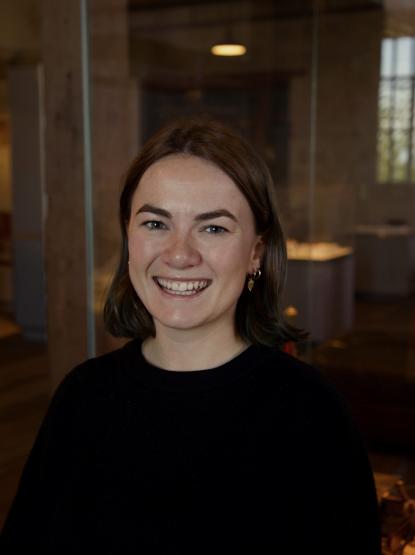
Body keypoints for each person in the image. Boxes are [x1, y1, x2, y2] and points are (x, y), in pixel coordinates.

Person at [0, 118, 381, 554]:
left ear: (256, 251)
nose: (179, 254)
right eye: (155, 224)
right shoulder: (83, 397)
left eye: (213, 227)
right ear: (129, 236)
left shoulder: (311, 414)